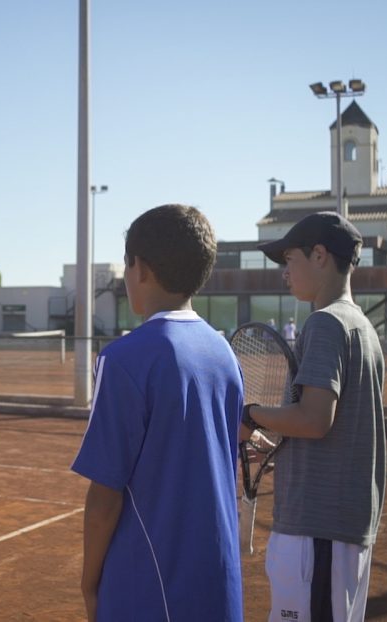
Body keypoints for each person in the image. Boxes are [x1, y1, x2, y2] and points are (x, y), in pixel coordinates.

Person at [72, 204, 244, 621]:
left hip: (148, 586)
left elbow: (104, 497)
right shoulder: (223, 351)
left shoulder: (125, 358)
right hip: (220, 582)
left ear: (140, 269)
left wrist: (89, 583)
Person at [244, 211, 385, 622]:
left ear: (319, 255)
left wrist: (251, 415)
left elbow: (315, 419)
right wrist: (277, 443)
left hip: (318, 530)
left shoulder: (324, 323)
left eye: (290, 260)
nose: (285, 273)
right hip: (338, 527)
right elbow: (332, 426)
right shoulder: (361, 327)